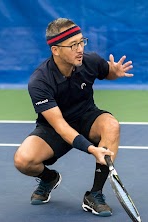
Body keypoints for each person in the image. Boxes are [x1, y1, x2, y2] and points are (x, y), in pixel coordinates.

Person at [13, 18, 134, 217]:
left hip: (87, 117)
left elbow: (107, 72)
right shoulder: (40, 81)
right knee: (23, 160)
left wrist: (115, 71)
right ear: (56, 50)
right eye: (73, 45)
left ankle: (95, 195)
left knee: (111, 125)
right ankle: (49, 178)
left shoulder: (89, 61)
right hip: (54, 128)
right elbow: (60, 126)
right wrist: (90, 148)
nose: (80, 49)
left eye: (81, 42)